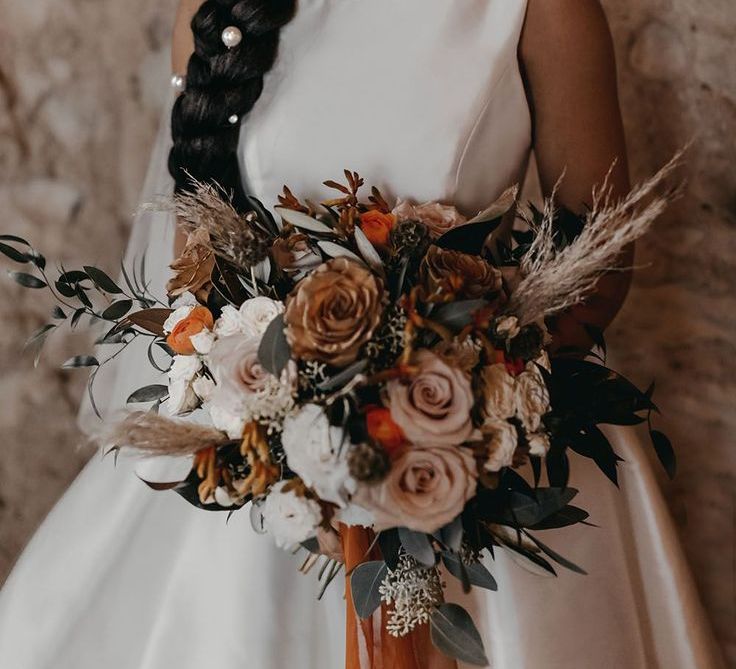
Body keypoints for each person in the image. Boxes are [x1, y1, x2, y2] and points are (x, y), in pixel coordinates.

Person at [0, 1, 725, 667]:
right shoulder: (216, 6)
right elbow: (196, 268)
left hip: (472, 440)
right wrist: (281, 440)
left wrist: (468, 415)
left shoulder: (542, 9)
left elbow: (596, 260)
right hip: (263, 461)